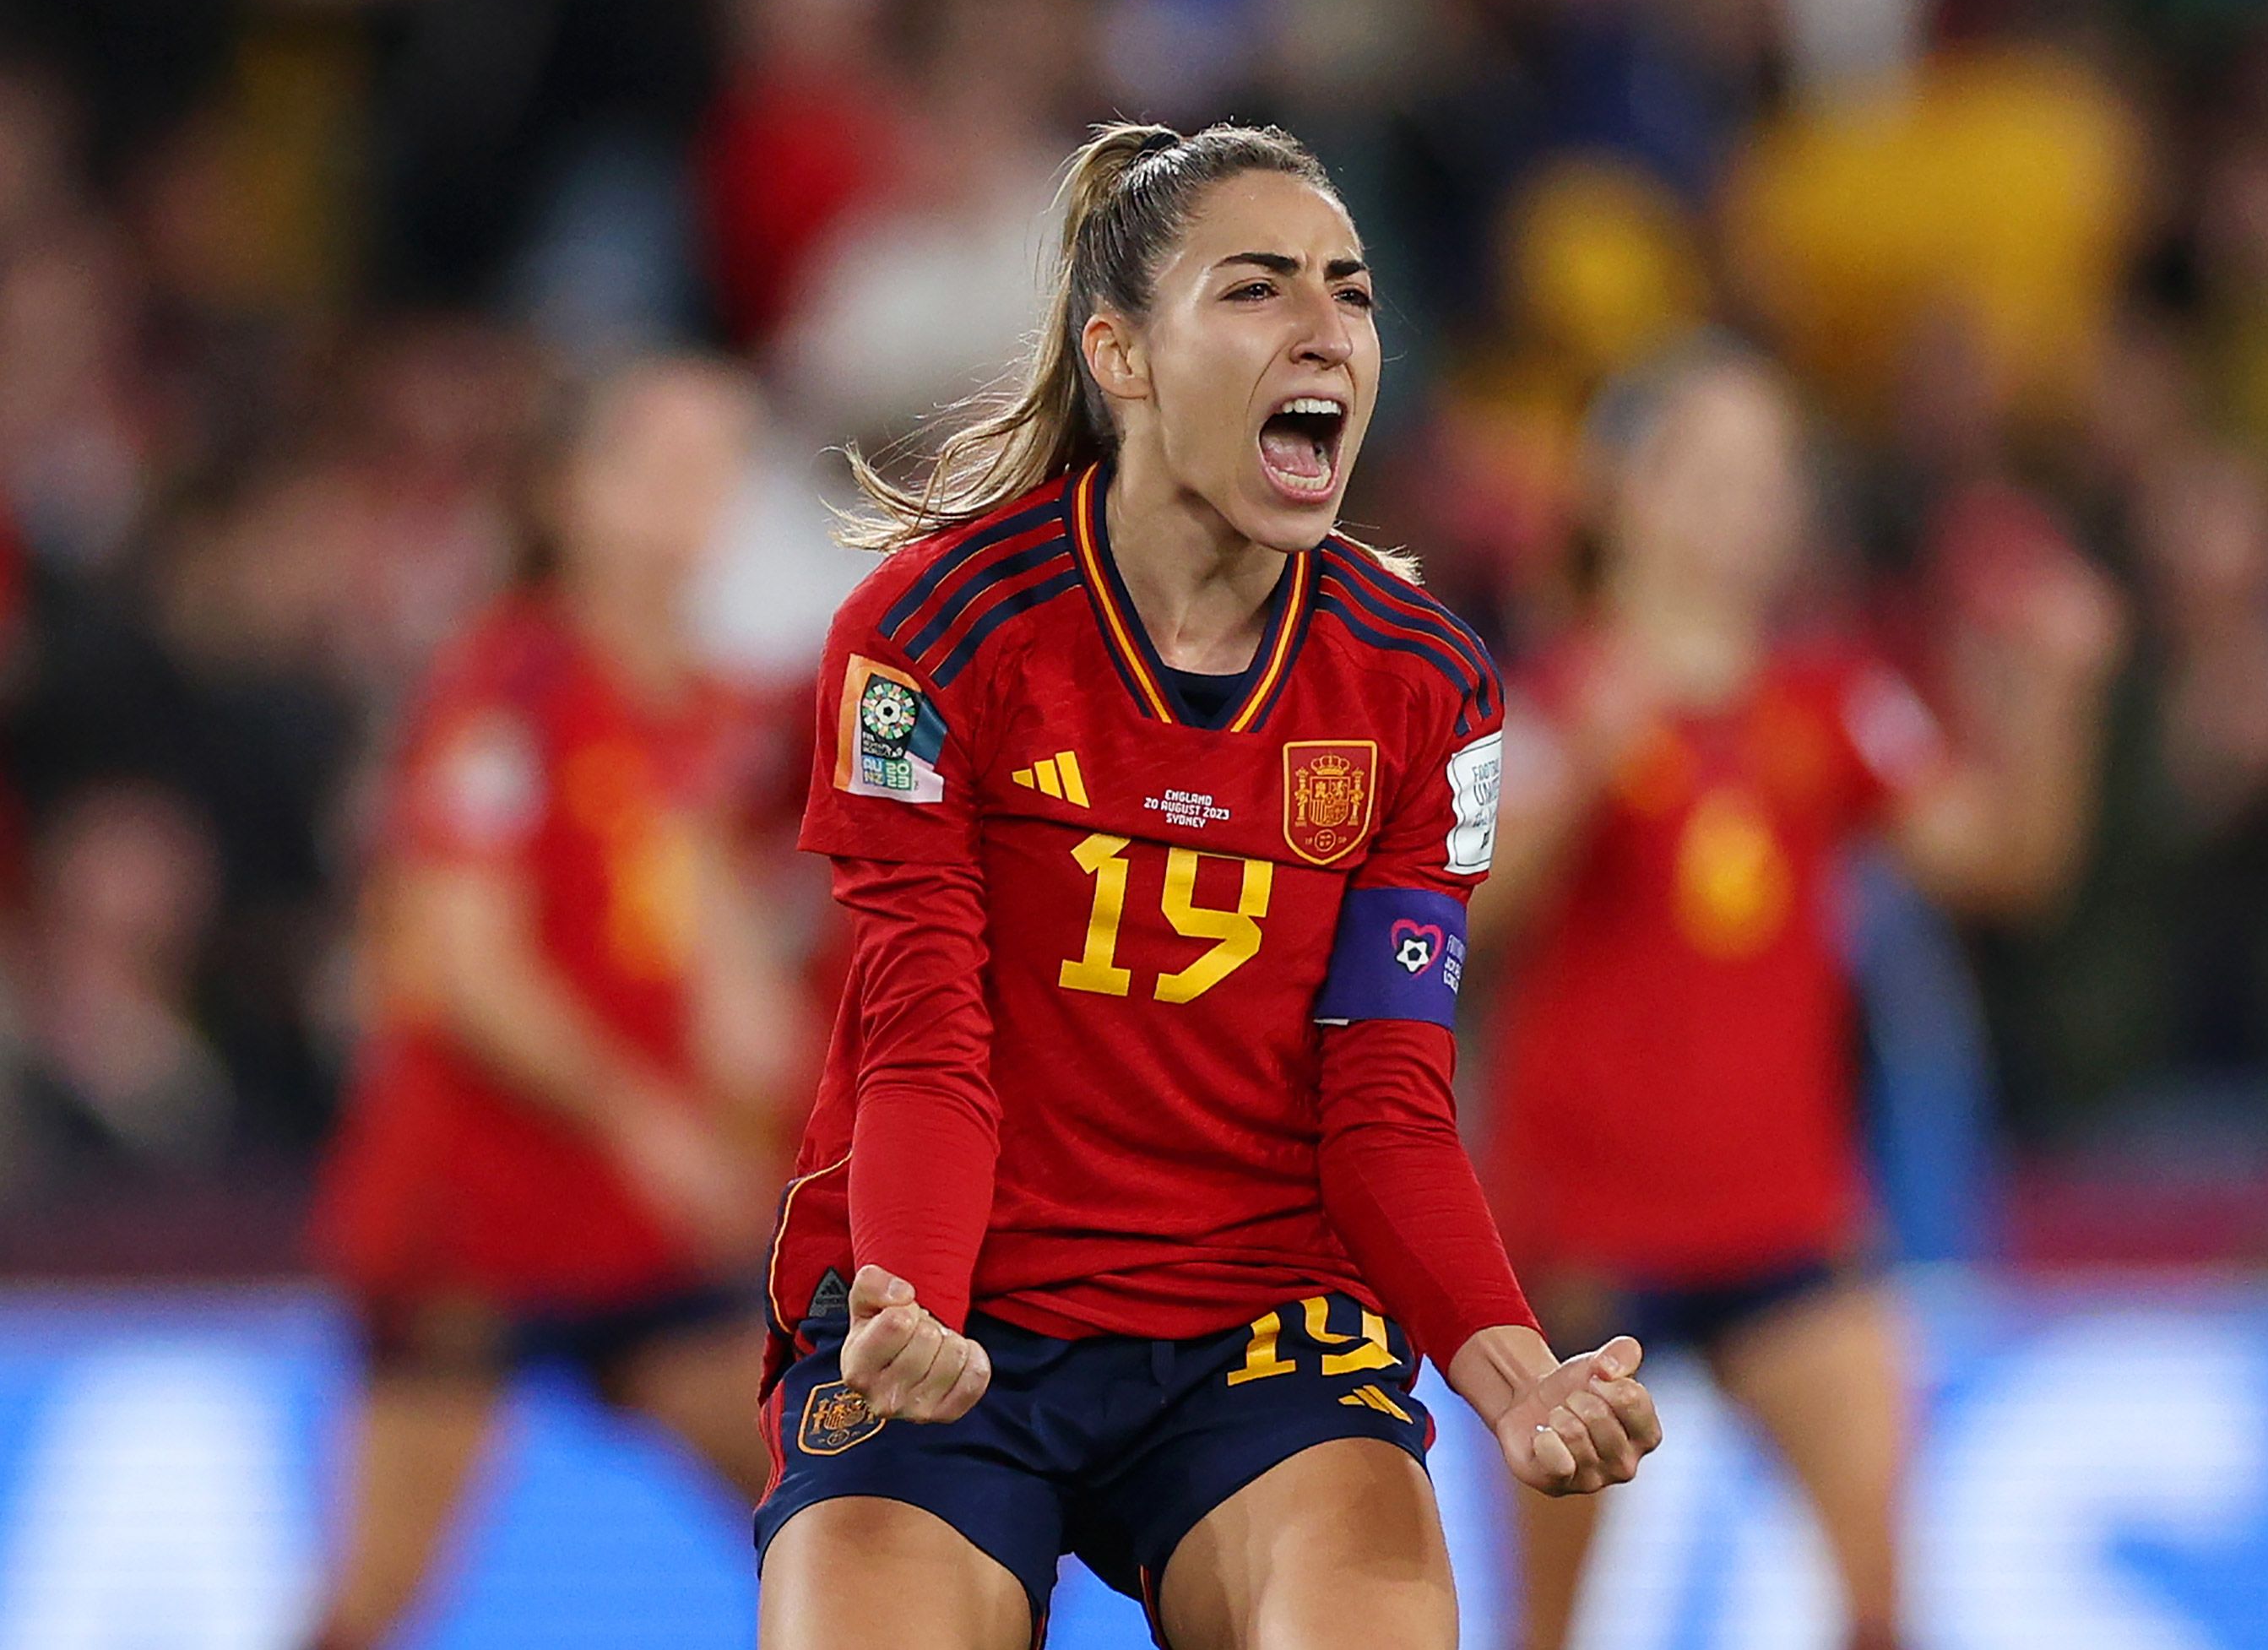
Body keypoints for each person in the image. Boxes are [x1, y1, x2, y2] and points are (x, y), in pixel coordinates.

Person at [756, 121, 1662, 1650]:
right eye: (1258, 289)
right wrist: (907, 1302)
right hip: (958, 1317)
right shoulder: (935, 633)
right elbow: (924, 1039)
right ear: (1121, 355)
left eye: (1352, 291)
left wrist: (1517, 1376)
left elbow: (1383, 1095)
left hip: (1266, 1330)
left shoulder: (1427, 684)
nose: (1326, 330)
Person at [1477, 348, 2121, 1650]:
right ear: (1626, 493)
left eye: (1771, 478)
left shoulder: (1832, 702)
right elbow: (1459, 923)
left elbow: (2007, 866)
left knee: (1881, 1595)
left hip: (1789, 1228)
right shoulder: (1545, 702)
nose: (1747, 506)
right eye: (1714, 472)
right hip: (1583, 1239)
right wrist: (1585, 773)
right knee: (1547, 1628)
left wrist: (2057, 690)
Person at [307, 358, 801, 1650]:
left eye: (720, 462)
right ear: (570, 494)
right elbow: (464, 963)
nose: (700, 495)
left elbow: (708, 951)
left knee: (827, 1524)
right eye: (661, 463)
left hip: (635, 1225)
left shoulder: (701, 703)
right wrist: (649, 1118)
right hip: (474, 1213)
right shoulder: (506, 689)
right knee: (375, 1599)